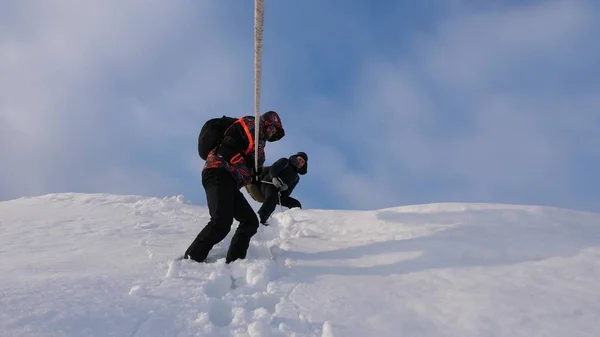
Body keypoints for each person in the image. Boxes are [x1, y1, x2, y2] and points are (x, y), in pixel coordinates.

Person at [184, 110, 285, 264]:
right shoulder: (251, 123)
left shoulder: (260, 148)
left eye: (274, 131)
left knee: (250, 221)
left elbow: (253, 169)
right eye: (271, 127)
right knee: (221, 222)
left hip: (231, 181)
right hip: (217, 171)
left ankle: (235, 263)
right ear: (264, 122)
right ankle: (191, 261)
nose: (271, 131)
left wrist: (256, 174)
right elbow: (248, 134)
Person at [257, 152, 308, 225]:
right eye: (299, 159)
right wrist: (274, 178)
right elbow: (273, 169)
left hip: (279, 193)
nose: (300, 162)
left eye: (303, 162)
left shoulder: (296, 177)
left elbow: (289, 191)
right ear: (295, 158)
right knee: (272, 199)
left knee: (296, 204)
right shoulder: (285, 161)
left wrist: (286, 188)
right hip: (268, 184)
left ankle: (292, 224)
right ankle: (260, 220)